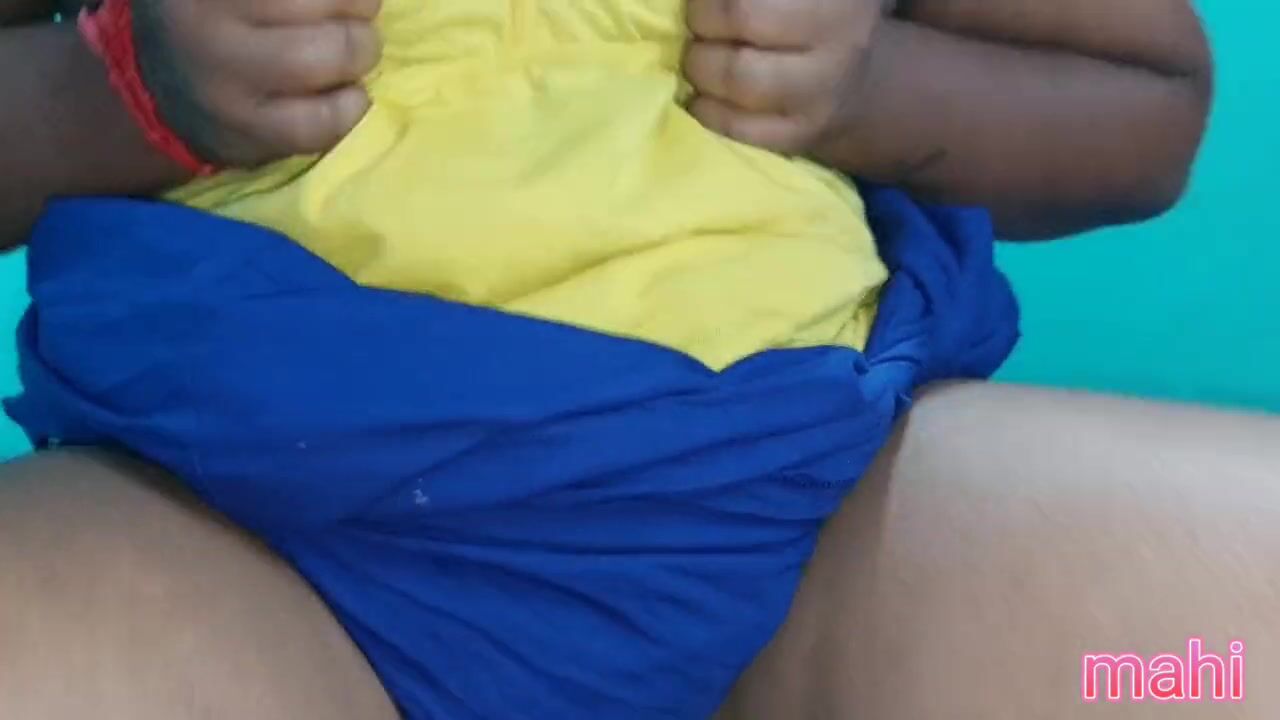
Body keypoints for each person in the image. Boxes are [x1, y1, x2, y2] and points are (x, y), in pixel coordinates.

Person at [5, 1, 1267, 719]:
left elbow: (1142, 101)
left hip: (809, 501)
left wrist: (866, 82)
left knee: (1216, 665)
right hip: (239, 536)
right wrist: (127, 87)